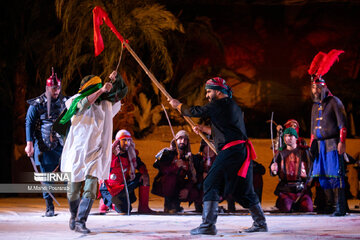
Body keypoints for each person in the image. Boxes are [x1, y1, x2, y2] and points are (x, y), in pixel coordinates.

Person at [169, 77, 267, 235]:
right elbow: (225, 131)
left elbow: (195, 111)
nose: (207, 95)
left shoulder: (218, 104)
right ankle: (260, 223)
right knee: (243, 191)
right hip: (240, 151)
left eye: (209, 91)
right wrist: (203, 128)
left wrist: (177, 106)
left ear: (217, 91)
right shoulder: (232, 106)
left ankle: (208, 225)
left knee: (210, 183)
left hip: (231, 152)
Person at [59, 71, 127, 233]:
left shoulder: (106, 105)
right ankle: (73, 216)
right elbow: (83, 104)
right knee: (73, 188)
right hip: (77, 152)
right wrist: (101, 91)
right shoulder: (73, 101)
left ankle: (81, 221)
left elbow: (121, 93)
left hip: (96, 153)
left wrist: (117, 80)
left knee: (91, 186)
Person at [308, 49, 347, 216]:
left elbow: (342, 125)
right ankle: (329, 205)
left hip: (332, 143)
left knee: (335, 174)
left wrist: (342, 142)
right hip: (320, 145)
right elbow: (312, 129)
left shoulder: (334, 102)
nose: (314, 90)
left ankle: (340, 206)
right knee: (322, 175)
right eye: (312, 87)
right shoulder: (315, 106)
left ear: (322, 87)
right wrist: (312, 144)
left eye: (316, 87)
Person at [25, 68, 67, 217]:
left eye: (58, 88)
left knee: (69, 175)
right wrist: (29, 143)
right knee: (47, 177)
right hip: (45, 146)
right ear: (48, 88)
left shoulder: (66, 102)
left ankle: (74, 206)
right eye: (53, 88)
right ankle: (49, 207)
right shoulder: (38, 104)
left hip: (63, 145)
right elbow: (29, 122)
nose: (56, 91)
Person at [99, 129, 154, 214]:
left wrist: (144, 173)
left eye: (128, 140)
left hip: (123, 185)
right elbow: (103, 170)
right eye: (124, 140)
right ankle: (108, 203)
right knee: (124, 210)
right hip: (110, 188)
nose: (127, 143)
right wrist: (114, 156)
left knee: (143, 177)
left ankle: (143, 207)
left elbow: (140, 165)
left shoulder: (131, 153)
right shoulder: (109, 153)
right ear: (118, 141)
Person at [152, 130, 200, 213]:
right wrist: (175, 166)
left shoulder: (189, 158)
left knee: (195, 191)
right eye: (180, 139)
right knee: (171, 178)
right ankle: (169, 205)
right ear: (176, 140)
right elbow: (162, 169)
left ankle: (177, 204)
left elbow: (192, 176)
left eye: (185, 140)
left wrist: (187, 189)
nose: (182, 141)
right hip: (166, 184)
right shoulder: (168, 153)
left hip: (180, 185)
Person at [270, 128, 313, 212]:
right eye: (285, 136)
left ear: (296, 138)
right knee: (285, 208)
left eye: (290, 136)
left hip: (301, 189)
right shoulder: (280, 153)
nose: (287, 138)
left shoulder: (304, 152)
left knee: (308, 208)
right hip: (286, 190)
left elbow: (311, 167)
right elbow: (273, 172)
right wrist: (273, 170)